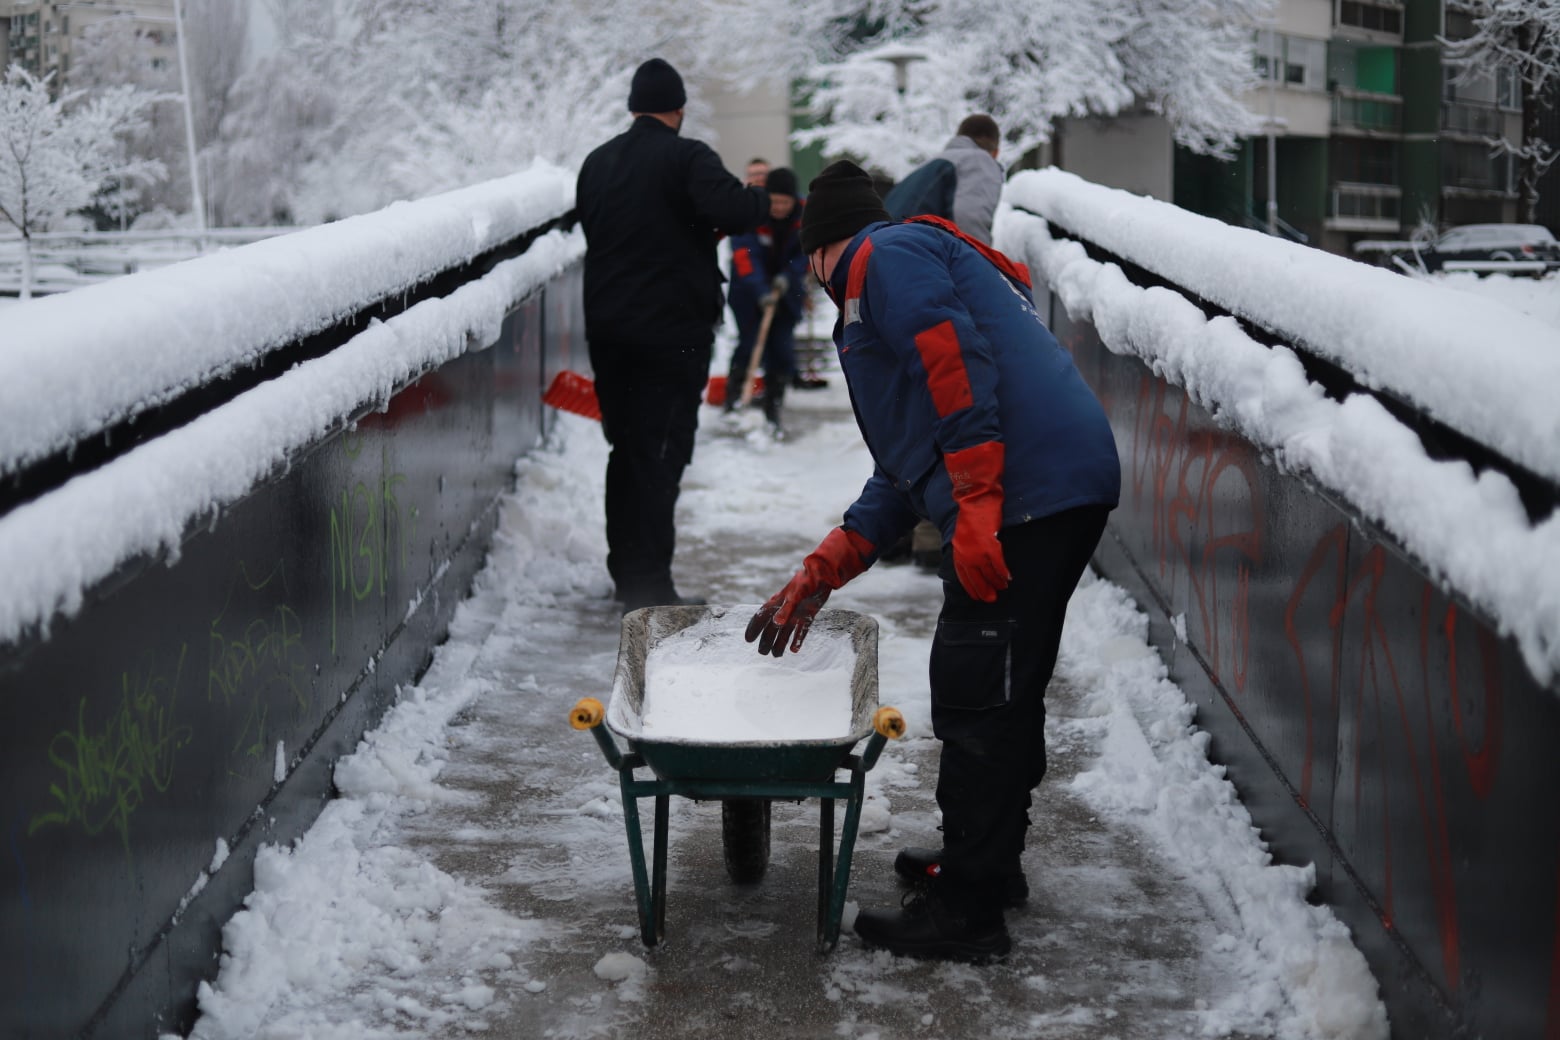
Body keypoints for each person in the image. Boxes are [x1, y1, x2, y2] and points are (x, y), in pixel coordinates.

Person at [744, 160, 1121, 963]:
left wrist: (980, 507)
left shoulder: (885, 258)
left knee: (978, 685)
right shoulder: (895, 273)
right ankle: (988, 868)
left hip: (1027, 493)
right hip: (1052, 485)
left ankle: (969, 910)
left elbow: (957, 367)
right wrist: (826, 565)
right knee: (1006, 684)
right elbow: (907, 466)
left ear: (818, 249)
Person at [576, 58, 769, 613]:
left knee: (627, 449)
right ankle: (651, 585)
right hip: (671, 333)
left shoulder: (596, 162)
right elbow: (733, 208)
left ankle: (627, 573)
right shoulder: (687, 156)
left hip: (609, 331)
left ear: (634, 106)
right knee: (662, 452)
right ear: (678, 110)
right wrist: (759, 194)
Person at [722, 166, 809, 434]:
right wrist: (760, 290)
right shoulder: (751, 214)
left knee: (780, 348)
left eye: (785, 201)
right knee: (749, 342)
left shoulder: (804, 217)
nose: (780, 207)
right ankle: (735, 399)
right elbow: (746, 256)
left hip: (787, 291)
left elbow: (806, 252)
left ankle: (774, 402)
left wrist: (788, 276)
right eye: (775, 201)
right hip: (748, 292)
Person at [882, 113, 1004, 245]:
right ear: (995, 153)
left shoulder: (929, 167)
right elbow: (969, 221)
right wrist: (981, 262)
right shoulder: (978, 160)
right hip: (913, 252)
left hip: (881, 251)